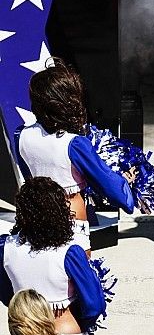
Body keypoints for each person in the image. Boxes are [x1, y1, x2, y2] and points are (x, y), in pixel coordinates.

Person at [14, 59, 135, 253]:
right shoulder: (75, 144)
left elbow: (29, 176)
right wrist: (125, 184)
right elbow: (110, 186)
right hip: (69, 215)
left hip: (34, 215)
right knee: (72, 267)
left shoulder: (21, 135)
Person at [0, 178, 106, 335]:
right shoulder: (70, 253)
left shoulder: (5, 247)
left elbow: (7, 296)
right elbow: (94, 305)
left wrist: (28, 314)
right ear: (59, 211)